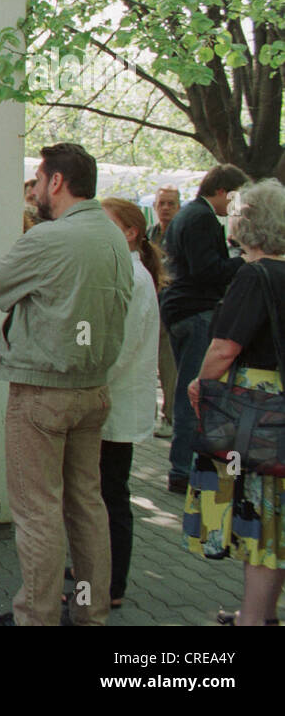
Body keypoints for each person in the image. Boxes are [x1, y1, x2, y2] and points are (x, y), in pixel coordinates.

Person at [0, 143, 132, 626]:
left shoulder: (49, 238)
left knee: (37, 510)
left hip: (41, 392)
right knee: (87, 505)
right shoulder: (113, 237)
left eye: (40, 179)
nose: (36, 189)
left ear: (57, 183)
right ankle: (91, 614)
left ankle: (37, 617)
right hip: (93, 391)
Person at [185, 178, 285, 627]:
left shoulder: (254, 274)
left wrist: (199, 385)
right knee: (276, 522)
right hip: (277, 405)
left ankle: (252, 620)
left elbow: (225, 348)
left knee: (259, 521)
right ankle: (259, 615)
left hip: (252, 410)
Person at [161, 164, 249, 494]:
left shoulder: (189, 215)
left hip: (181, 309)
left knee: (188, 389)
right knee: (192, 392)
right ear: (224, 192)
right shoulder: (202, 218)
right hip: (195, 309)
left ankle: (181, 466)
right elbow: (207, 270)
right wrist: (241, 259)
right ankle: (182, 469)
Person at [97, 197, 163, 609]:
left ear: (130, 232)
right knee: (100, 492)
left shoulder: (135, 279)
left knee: (110, 494)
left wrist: (89, 385)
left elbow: (120, 348)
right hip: (110, 402)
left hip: (115, 404)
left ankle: (113, 582)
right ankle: (97, 568)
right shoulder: (127, 273)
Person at [150, 185, 182, 439]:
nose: (166, 208)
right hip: (149, 303)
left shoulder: (181, 234)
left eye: (171, 203)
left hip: (170, 307)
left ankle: (169, 416)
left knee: (168, 363)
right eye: (162, 203)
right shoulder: (149, 234)